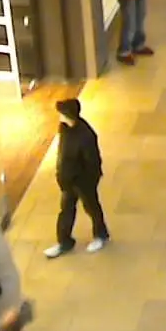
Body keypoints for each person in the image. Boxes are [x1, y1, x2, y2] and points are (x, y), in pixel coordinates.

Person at [45, 96, 108, 258]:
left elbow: (92, 162)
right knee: (66, 210)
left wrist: (89, 182)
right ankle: (64, 241)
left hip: (82, 181)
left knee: (92, 207)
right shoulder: (64, 129)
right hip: (68, 180)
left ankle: (100, 235)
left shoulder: (86, 136)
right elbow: (62, 153)